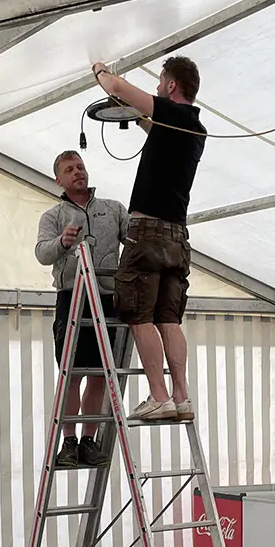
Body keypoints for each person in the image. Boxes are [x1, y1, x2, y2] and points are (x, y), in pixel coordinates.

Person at [90, 54, 204, 422]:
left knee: (138, 314)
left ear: (171, 86)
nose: (156, 87)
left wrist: (99, 69)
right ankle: (181, 396)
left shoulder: (172, 111)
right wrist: (133, 113)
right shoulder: (194, 129)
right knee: (168, 318)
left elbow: (117, 85)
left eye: (159, 81)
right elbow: (153, 129)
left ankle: (158, 395)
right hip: (177, 237)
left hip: (149, 232)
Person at [34, 150, 129, 467]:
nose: (78, 172)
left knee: (101, 375)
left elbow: (135, 240)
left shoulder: (113, 209)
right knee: (71, 374)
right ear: (58, 180)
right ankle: (69, 442)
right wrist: (63, 241)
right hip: (72, 299)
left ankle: (89, 440)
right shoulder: (53, 216)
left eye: (80, 166)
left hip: (106, 299)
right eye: (69, 169)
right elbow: (42, 253)